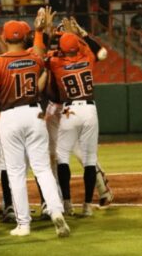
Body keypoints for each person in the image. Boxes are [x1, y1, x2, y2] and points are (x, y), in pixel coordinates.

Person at [0, 21, 70, 237]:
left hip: (9, 116)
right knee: (42, 169)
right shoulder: (34, 58)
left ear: (4, 38)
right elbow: (41, 61)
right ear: (25, 38)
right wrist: (41, 30)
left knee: (15, 172)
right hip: (34, 113)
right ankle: (56, 211)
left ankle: (23, 224)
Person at [48, 33, 101, 217]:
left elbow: (47, 56)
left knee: (62, 157)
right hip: (89, 109)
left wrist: (52, 36)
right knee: (90, 159)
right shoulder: (87, 58)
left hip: (69, 110)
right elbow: (97, 50)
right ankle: (87, 206)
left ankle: (67, 203)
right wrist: (80, 34)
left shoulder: (56, 63)